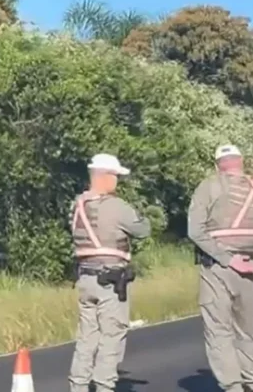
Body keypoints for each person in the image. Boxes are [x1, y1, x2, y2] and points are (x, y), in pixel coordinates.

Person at [68, 153, 151, 392]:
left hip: (85, 278)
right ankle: (104, 386)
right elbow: (143, 229)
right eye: (115, 176)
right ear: (104, 176)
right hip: (110, 281)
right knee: (111, 336)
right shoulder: (117, 206)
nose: (117, 181)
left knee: (86, 338)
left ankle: (79, 386)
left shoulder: (77, 205)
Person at [188, 144, 253, 392]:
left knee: (219, 331)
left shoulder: (209, 186)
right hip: (250, 268)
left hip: (217, 268)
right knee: (249, 332)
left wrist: (226, 258)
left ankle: (233, 387)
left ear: (218, 166)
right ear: (241, 161)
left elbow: (195, 230)